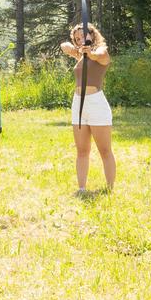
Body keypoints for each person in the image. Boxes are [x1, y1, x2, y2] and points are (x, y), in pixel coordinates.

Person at [61, 23, 116, 194]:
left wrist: (89, 53)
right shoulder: (80, 55)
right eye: (77, 39)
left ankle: (109, 188)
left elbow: (99, 56)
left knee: (104, 150)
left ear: (92, 35)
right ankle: (82, 188)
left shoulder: (101, 51)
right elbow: (64, 46)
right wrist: (74, 49)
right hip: (78, 104)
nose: (80, 40)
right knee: (82, 150)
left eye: (83, 36)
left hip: (96, 104)